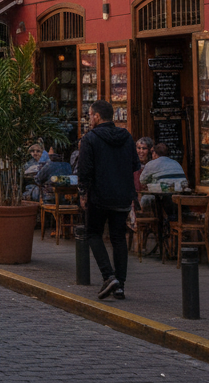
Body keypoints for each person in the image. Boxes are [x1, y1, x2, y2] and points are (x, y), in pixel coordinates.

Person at [78, 100, 141, 301]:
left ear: (97, 116)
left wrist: (83, 192)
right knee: (118, 238)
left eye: (90, 115)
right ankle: (120, 285)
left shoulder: (90, 138)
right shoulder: (127, 137)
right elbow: (134, 165)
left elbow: (85, 170)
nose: (89, 119)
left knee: (93, 233)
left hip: (99, 195)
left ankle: (109, 275)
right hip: (122, 194)